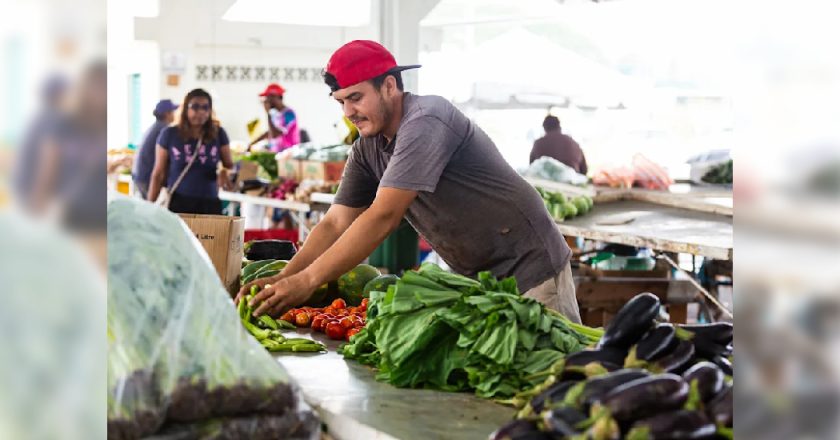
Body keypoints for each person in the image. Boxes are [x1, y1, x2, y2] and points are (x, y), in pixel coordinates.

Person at [238, 40, 581, 323]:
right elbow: (334, 222)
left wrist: (309, 281)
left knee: (554, 382)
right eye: (341, 102)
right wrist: (284, 280)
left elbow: (383, 215)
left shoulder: (427, 119)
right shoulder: (366, 148)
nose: (348, 113)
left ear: (389, 86)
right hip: (479, 276)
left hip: (531, 266)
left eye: (356, 98)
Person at [147, 88, 234, 214]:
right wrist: (149, 207)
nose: (201, 112)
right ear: (185, 109)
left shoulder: (219, 133)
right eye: (195, 107)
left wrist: (224, 172)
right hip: (179, 202)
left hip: (209, 202)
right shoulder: (169, 134)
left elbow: (229, 164)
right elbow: (158, 173)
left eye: (205, 107)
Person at [132, 99, 178, 199]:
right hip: (147, 177)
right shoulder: (164, 130)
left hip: (140, 176)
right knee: (150, 211)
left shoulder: (156, 127)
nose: (175, 114)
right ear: (167, 114)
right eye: (173, 112)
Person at [247, 83, 300, 152]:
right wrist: (252, 144)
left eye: (270, 97)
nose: (267, 101)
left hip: (288, 154)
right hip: (276, 153)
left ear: (279, 97)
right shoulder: (275, 114)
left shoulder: (289, 114)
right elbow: (270, 132)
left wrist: (268, 114)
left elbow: (275, 134)